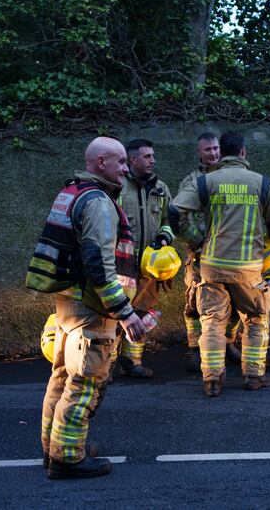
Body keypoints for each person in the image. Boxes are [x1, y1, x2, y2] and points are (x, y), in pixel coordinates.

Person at [26, 137, 145, 479]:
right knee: (85, 384)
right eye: (120, 162)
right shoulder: (98, 203)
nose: (126, 168)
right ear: (100, 162)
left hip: (69, 305)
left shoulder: (72, 193)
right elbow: (98, 264)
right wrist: (125, 311)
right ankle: (67, 459)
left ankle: (55, 447)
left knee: (61, 378)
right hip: (92, 310)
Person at [168, 131, 270, 397]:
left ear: (223, 151)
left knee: (211, 322)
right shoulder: (262, 183)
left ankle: (211, 380)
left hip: (212, 266)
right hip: (248, 268)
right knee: (256, 319)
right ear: (243, 152)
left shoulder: (205, 182)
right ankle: (254, 376)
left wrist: (196, 239)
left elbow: (175, 211)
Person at [177, 132, 242, 372]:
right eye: (208, 150)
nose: (213, 153)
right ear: (199, 152)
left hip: (231, 253)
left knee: (235, 302)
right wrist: (198, 240)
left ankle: (228, 343)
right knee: (194, 304)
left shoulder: (234, 178)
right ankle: (196, 349)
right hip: (200, 254)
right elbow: (180, 215)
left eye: (216, 148)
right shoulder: (191, 181)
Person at [115, 139, 174, 379]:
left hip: (150, 266)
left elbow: (170, 220)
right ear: (132, 160)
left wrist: (164, 236)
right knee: (113, 314)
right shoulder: (117, 186)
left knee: (141, 313)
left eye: (153, 155)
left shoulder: (161, 188)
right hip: (121, 265)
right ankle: (105, 366)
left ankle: (132, 361)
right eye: (147, 156)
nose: (153, 160)